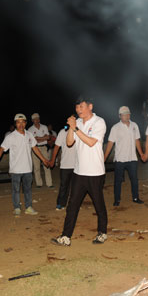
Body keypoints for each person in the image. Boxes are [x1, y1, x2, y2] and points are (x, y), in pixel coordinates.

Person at [52, 96, 108, 246]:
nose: (78, 110)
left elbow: (91, 142)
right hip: (79, 171)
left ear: (90, 106)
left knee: (99, 204)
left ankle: (102, 233)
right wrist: (72, 127)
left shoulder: (99, 122)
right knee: (72, 205)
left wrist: (76, 128)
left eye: (81, 107)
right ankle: (65, 236)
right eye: (77, 108)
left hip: (95, 172)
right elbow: (69, 142)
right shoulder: (77, 124)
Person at [0, 114, 50, 216]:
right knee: (16, 190)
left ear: (25, 123)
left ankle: (28, 207)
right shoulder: (11, 137)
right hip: (15, 169)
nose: (21, 124)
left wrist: (44, 160)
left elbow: (35, 148)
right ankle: (17, 207)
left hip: (27, 168)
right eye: (18, 122)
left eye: (23, 122)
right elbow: (1, 149)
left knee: (28, 189)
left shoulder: (29, 135)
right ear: (15, 124)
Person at [103, 106, 145, 207]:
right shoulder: (115, 127)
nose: (126, 116)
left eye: (128, 113)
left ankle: (136, 197)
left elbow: (137, 141)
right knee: (118, 180)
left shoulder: (134, 125)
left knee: (134, 179)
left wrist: (141, 154)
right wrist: (104, 158)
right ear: (119, 116)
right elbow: (110, 143)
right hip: (120, 159)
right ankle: (117, 199)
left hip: (132, 158)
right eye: (124, 114)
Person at [49, 126, 76, 210]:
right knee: (64, 185)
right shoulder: (62, 132)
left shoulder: (79, 132)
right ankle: (60, 203)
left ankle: (73, 205)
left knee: (75, 187)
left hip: (77, 165)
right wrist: (52, 160)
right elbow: (56, 147)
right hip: (65, 164)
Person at [28, 113, 53, 188]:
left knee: (46, 165)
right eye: (34, 119)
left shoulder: (44, 127)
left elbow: (48, 137)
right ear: (32, 120)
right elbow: (33, 140)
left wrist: (38, 138)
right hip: (35, 148)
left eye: (37, 118)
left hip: (44, 148)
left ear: (39, 119)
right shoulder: (30, 129)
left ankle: (49, 183)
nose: (36, 120)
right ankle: (39, 184)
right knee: (36, 167)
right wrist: (43, 138)